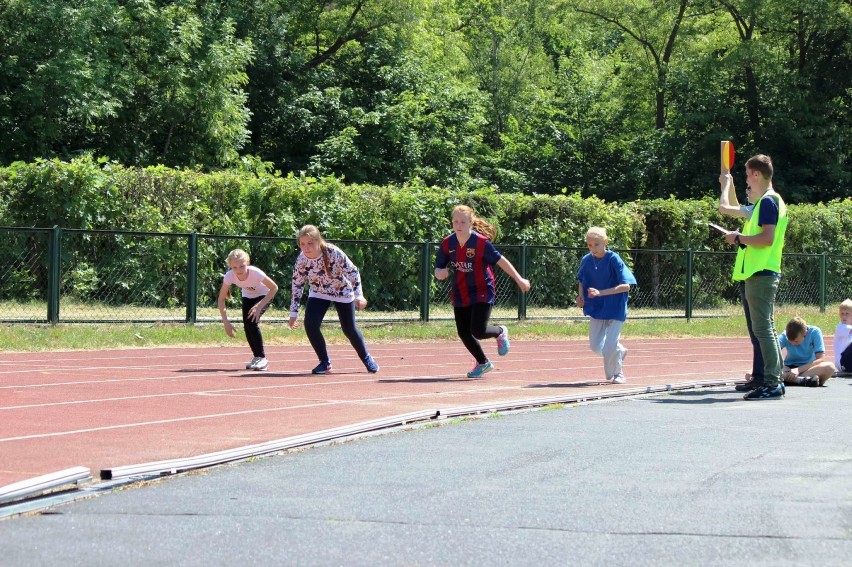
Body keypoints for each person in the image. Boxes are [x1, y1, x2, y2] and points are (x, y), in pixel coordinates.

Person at [718, 154, 789, 400]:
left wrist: (738, 238)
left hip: (762, 273)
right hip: (760, 273)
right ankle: (772, 380)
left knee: (763, 329)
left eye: (748, 174)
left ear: (757, 174)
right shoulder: (767, 202)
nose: (747, 179)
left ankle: (773, 382)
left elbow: (767, 239)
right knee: (763, 329)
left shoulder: (768, 202)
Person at [434, 205, 530, 378]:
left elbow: (501, 261)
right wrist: (440, 273)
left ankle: (500, 332)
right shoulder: (448, 243)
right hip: (460, 290)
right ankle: (483, 362)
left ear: (470, 222)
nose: (459, 224)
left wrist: (519, 278)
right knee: (463, 332)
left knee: (478, 330)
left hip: (482, 289)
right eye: (455, 221)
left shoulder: (480, 242)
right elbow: (439, 267)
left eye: (463, 221)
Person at [288, 225, 379, 374]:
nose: (306, 247)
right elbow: (297, 284)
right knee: (310, 324)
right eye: (302, 244)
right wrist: (293, 312)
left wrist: (359, 295)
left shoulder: (333, 253)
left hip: (342, 291)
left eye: (310, 243)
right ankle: (325, 363)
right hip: (319, 292)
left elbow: (353, 272)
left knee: (349, 329)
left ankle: (366, 357)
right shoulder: (302, 260)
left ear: (318, 241)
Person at [575, 227, 637, 384]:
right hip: (596, 308)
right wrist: (581, 296)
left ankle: (618, 373)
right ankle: (620, 352)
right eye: (589, 245)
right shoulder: (586, 260)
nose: (593, 249)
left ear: (605, 242)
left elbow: (626, 286)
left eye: (596, 244)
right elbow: (581, 280)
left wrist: (600, 292)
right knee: (595, 345)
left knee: (610, 345)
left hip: (615, 307)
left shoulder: (614, 259)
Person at [217, 249, 279, 371]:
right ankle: (257, 357)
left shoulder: (256, 273)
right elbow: (221, 299)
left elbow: (274, 288)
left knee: (251, 321)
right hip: (248, 296)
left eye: (242, 266)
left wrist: (259, 306)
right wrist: (226, 323)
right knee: (247, 325)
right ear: (230, 267)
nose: (239, 270)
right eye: (234, 267)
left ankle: (262, 358)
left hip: (264, 295)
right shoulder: (229, 276)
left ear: (248, 262)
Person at [777, 317, 835, 387]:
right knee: (767, 367)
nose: (792, 344)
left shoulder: (815, 332)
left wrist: (798, 370)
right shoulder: (784, 335)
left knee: (830, 367)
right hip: (789, 368)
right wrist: (783, 366)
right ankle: (802, 380)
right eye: (790, 341)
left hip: (809, 368)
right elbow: (771, 352)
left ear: (805, 334)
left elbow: (821, 359)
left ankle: (791, 379)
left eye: (796, 341)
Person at [834, 299, 852, 376]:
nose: (844, 316)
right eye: (842, 314)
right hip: (843, 362)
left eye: (847, 314)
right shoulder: (840, 327)